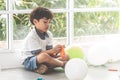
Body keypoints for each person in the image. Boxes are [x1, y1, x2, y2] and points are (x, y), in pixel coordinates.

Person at [21, 7, 69, 74]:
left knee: (66, 56)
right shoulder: (32, 36)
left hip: (45, 57)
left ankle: (44, 67)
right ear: (35, 22)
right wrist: (52, 51)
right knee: (44, 56)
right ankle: (62, 64)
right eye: (45, 22)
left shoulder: (49, 34)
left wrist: (57, 50)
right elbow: (39, 54)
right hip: (30, 60)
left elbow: (50, 53)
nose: (48, 25)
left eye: (49, 22)